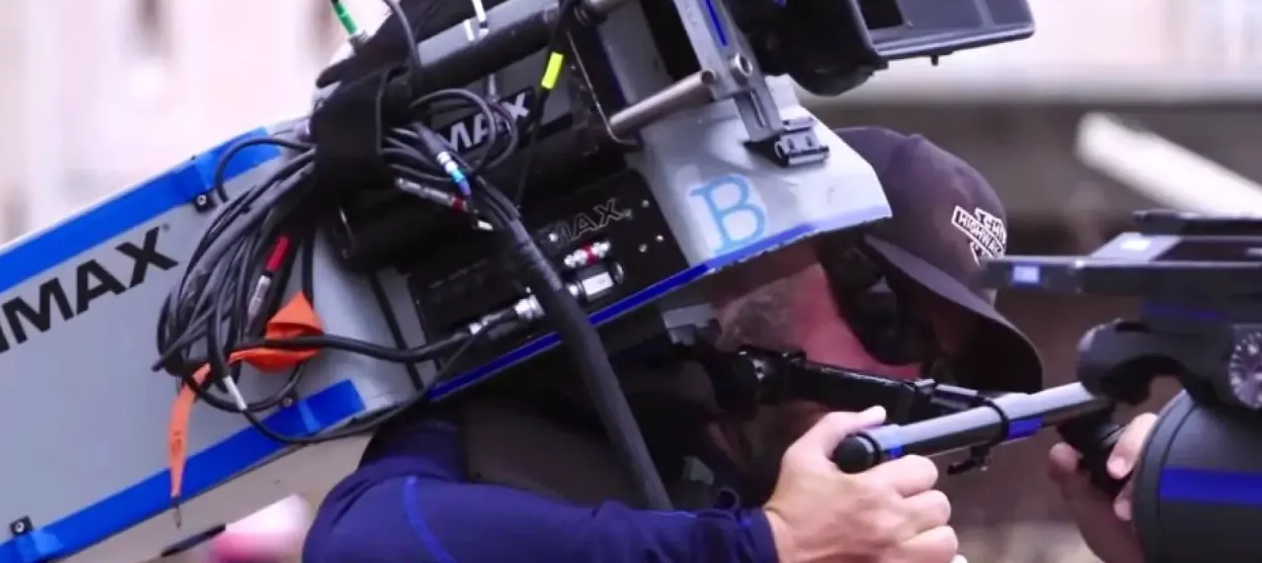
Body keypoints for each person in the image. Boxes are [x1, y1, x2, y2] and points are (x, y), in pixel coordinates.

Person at [275, 127, 1156, 563]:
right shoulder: (574, 397)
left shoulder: (849, 519)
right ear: (778, 253)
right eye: (890, 318)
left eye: (941, 368)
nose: (903, 378)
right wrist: (766, 545)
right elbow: (362, 540)